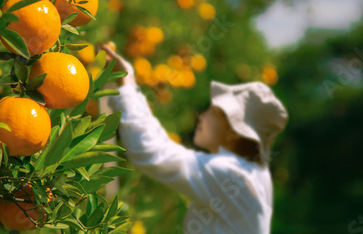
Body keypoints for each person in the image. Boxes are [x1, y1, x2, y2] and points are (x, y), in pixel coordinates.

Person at [101, 44, 289, 234]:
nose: (202, 116)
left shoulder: (231, 175)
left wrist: (128, 84)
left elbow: (152, 151)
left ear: (234, 132)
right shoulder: (252, 174)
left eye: (213, 112)